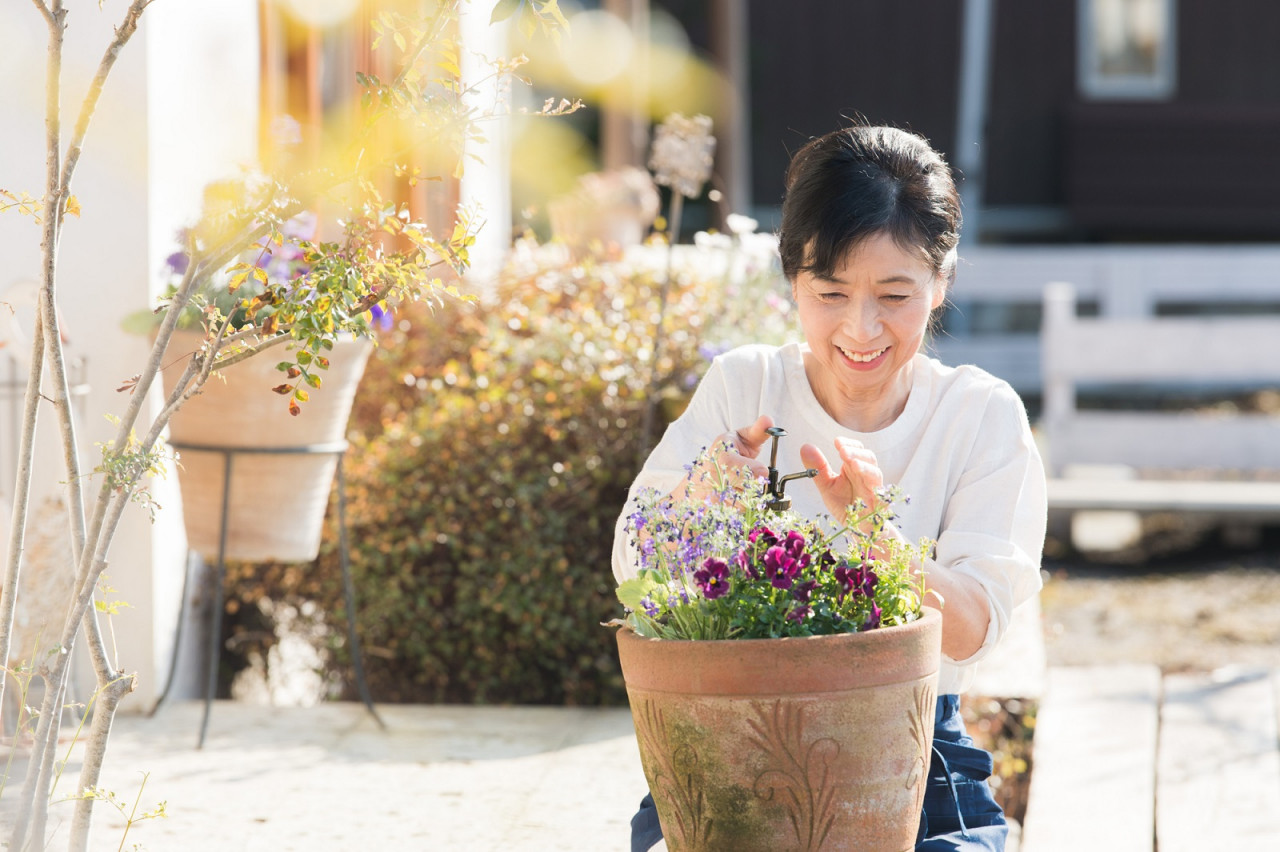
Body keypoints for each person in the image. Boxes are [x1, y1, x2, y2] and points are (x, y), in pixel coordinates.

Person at [611, 124, 1047, 852]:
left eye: (894, 294)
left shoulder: (981, 414)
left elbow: (972, 627)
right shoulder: (744, 384)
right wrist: (704, 499)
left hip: (918, 754)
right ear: (792, 282)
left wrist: (874, 536)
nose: (860, 327)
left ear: (942, 282)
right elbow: (632, 565)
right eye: (831, 291)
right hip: (729, 747)